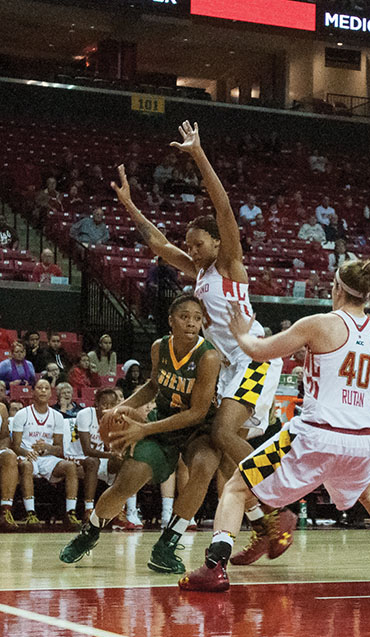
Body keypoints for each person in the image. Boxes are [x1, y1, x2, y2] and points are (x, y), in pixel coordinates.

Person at [179, 260, 370, 591]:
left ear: (338, 288)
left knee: (237, 487)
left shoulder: (319, 324)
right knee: (369, 493)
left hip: (318, 434)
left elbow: (260, 351)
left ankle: (214, 565)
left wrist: (241, 333)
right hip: (362, 440)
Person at [111, 121, 292, 564]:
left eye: (198, 243)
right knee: (223, 455)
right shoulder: (200, 272)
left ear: (216, 242)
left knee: (221, 433)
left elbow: (223, 206)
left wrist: (198, 155)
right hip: (231, 367)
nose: (191, 250)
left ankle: (278, 505)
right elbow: (158, 244)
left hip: (254, 359)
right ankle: (265, 528)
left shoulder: (229, 264)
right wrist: (130, 205)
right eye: (189, 245)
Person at [60, 294, 222, 571]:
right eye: (184, 317)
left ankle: (166, 545)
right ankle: (91, 531)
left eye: (197, 318)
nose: (191, 323)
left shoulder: (208, 356)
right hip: (163, 423)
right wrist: (120, 407)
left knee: (205, 466)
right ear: (171, 321)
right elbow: (152, 385)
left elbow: (197, 412)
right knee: (126, 484)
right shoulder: (160, 347)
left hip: (199, 428)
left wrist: (143, 428)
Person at [12, 379, 81, 530]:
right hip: (27, 456)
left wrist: (47, 448)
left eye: (46, 388)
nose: (43, 391)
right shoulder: (22, 414)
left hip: (47, 458)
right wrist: (28, 452)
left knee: (70, 466)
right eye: (39, 388)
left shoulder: (57, 416)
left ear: (51, 393)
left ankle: (70, 513)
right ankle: (30, 514)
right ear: (33, 392)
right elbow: (15, 446)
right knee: (26, 465)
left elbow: (59, 449)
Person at [63, 387, 125, 524]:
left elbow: (110, 447)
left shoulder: (113, 419)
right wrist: (111, 455)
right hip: (76, 457)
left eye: (112, 405)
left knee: (123, 462)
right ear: (96, 403)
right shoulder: (85, 414)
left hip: (100, 457)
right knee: (93, 461)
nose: (107, 408)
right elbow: (87, 450)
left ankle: (118, 508)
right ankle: (89, 509)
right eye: (104, 404)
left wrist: (117, 454)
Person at [0, 401, 22, 530]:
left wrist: (3, 447)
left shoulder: (2, 408)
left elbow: (4, 437)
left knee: (10, 456)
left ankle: (6, 511)